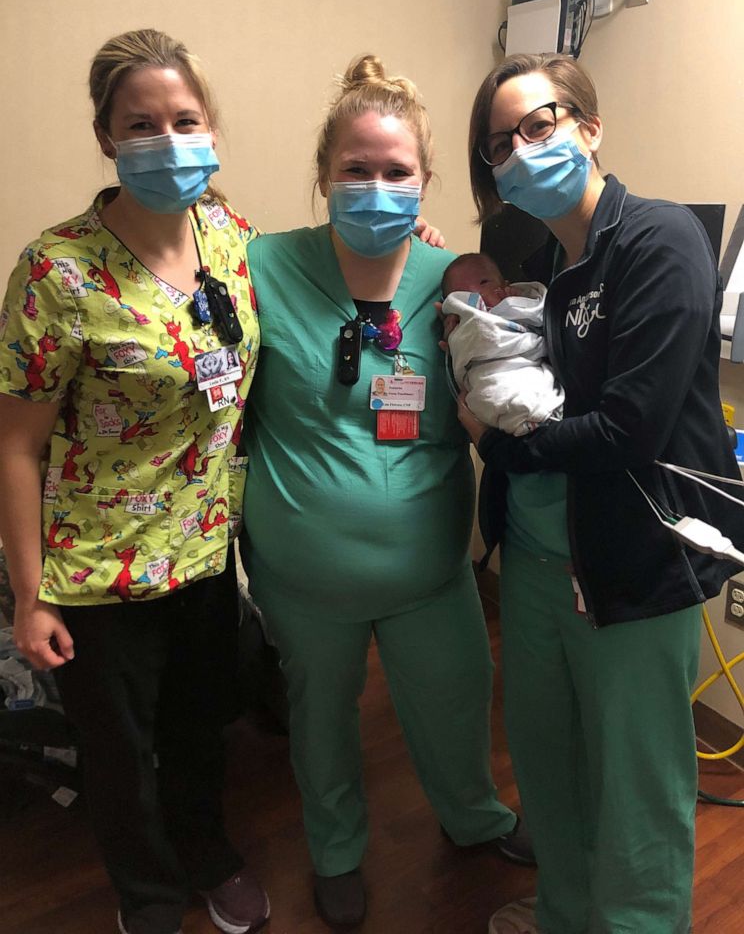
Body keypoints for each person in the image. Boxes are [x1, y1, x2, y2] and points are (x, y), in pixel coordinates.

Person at [240, 54, 533, 930]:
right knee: (320, 720)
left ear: (425, 181)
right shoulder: (262, 266)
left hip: (431, 572)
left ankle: (474, 818)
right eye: (355, 171)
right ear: (323, 177)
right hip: (304, 574)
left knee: (454, 696)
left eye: (395, 173)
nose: (375, 188)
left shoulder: (454, 281)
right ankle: (335, 852)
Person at [462, 52, 744, 934]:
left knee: (636, 791)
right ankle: (564, 914)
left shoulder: (659, 240)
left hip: (631, 574)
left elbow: (630, 431)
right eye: (500, 143)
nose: (519, 150)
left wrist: (497, 445)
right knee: (549, 771)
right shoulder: (544, 262)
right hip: (543, 570)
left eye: (538, 124)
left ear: (589, 126)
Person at [0, 29, 269, 934]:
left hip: (202, 553)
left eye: (184, 119)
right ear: (106, 138)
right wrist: (30, 597)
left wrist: (431, 247)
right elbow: (15, 449)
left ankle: (208, 854)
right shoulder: (54, 270)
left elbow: (318, 285)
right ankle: (147, 894)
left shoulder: (231, 237)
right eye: (141, 123)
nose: (167, 138)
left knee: (201, 729)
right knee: (120, 753)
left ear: (212, 126)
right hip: (95, 573)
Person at [441, 252, 563, 434]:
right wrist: (456, 339)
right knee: (489, 394)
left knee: (538, 384)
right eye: (463, 294)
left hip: (525, 362)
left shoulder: (515, 303)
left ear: (506, 285)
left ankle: (537, 413)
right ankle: (523, 418)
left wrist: (518, 302)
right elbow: (465, 351)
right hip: (488, 371)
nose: (477, 294)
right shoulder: (462, 325)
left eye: (484, 283)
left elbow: (539, 317)